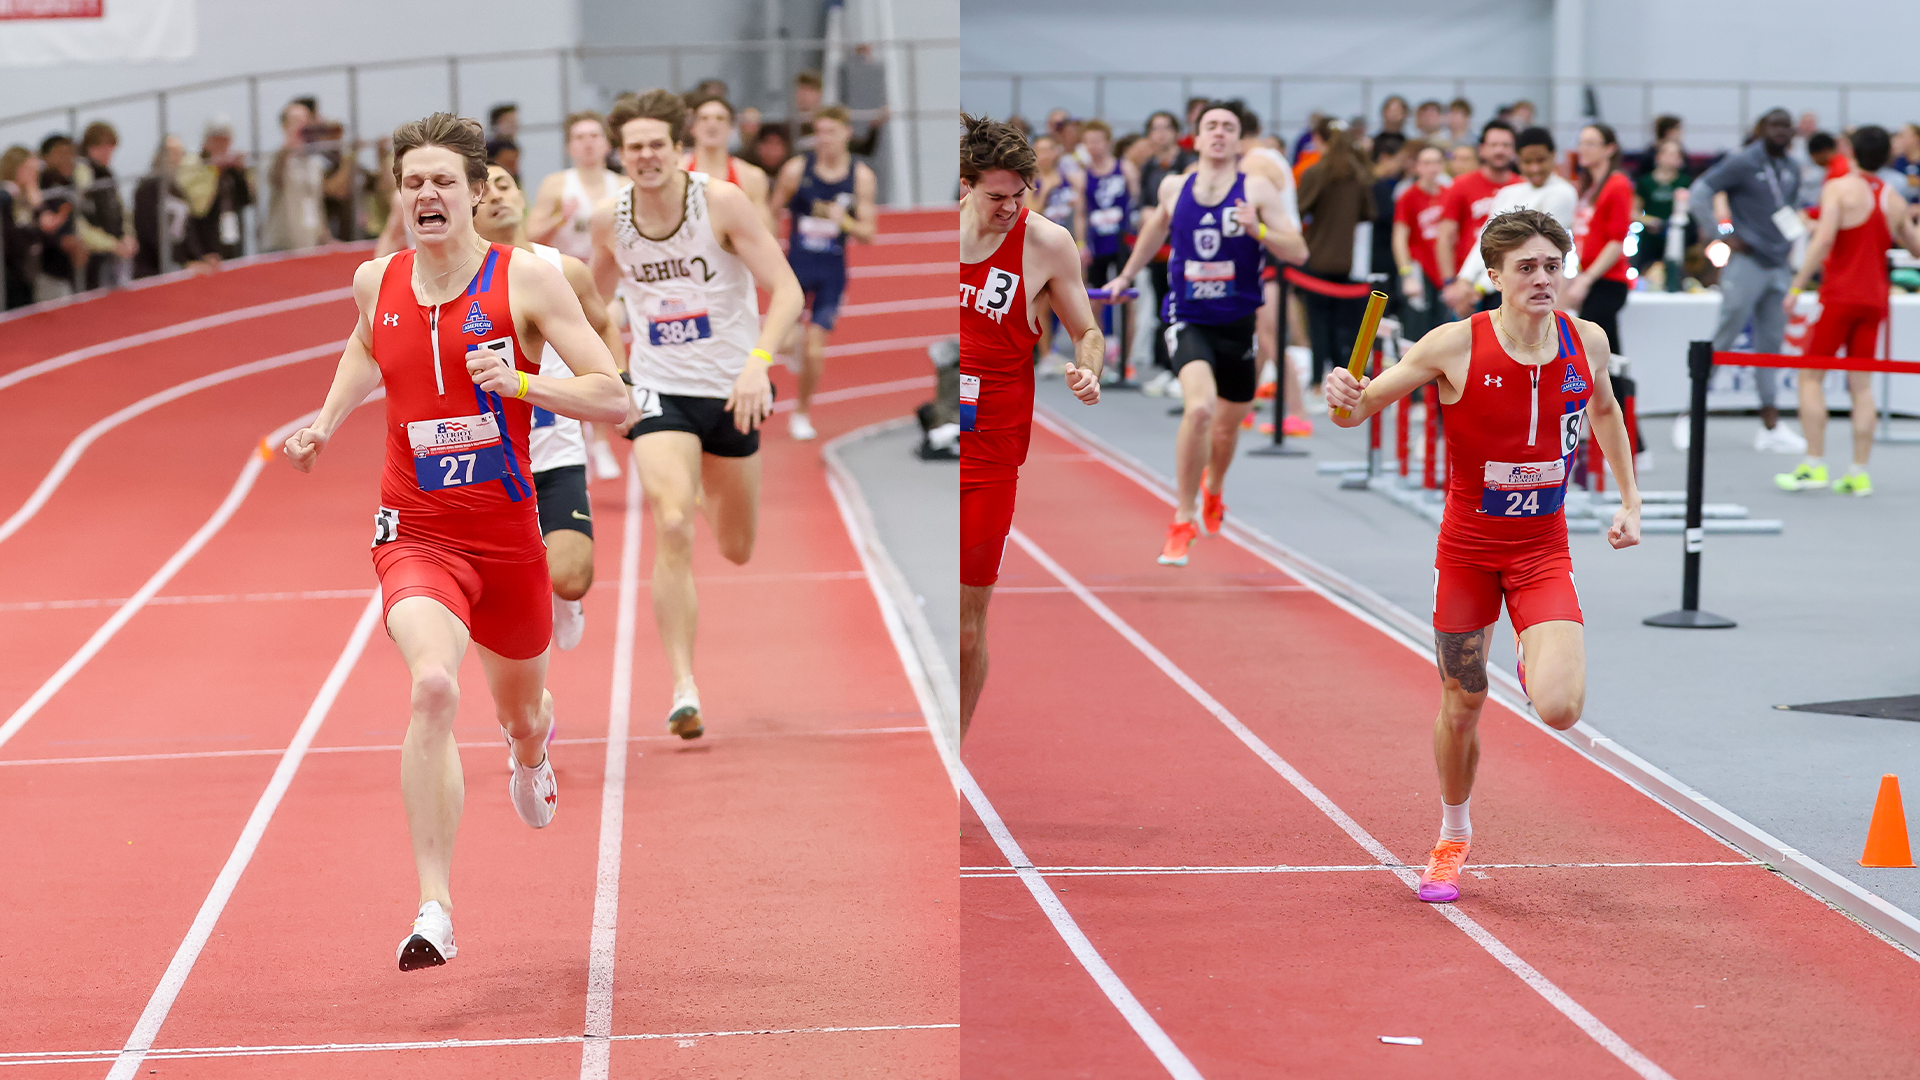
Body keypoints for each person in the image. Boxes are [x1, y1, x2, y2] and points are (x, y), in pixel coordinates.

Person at [281, 112, 628, 969]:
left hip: (508, 536)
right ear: (398, 198)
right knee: (433, 686)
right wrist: (326, 420)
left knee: (521, 712)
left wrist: (517, 378)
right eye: (412, 183)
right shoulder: (376, 280)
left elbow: (613, 397)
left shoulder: (530, 284)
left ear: (478, 193)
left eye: (443, 182)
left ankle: (530, 751)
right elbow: (367, 345)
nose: (426, 195)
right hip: (417, 530)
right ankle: (435, 907)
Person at [1325, 207, 1641, 904]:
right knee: (1463, 701)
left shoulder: (1585, 340)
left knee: (1559, 709)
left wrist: (1630, 501)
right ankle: (1452, 835)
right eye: (1526, 267)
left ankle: (1534, 657)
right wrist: (1342, 394)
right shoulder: (1452, 345)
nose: (1543, 279)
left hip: (1542, 553)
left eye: (1553, 266)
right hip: (1468, 554)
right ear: (1493, 276)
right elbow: (1358, 411)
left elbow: (1607, 413)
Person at [588, 89, 804, 739]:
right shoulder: (610, 219)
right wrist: (615, 377)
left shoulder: (721, 202)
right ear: (620, 156)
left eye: (658, 144)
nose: (647, 156)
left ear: (679, 148)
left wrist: (759, 362)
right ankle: (684, 685)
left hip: (733, 389)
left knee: (736, 548)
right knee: (673, 521)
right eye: (634, 147)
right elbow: (594, 306)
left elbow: (787, 288)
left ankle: (712, 489)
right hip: (658, 387)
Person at [1101, 100, 1308, 566]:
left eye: (1228, 127)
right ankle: (1182, 514)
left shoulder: (1256, 187)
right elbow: (1154, 232)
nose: (1219, 133)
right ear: (1194, 138)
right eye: (1210, 126)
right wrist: (1125, 277)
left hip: (1237, 324)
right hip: (1188, 317)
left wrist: (1256, 229)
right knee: (1198, 411)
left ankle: (1213, 489)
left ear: (1239, 140)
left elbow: (1297, 250)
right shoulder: (1176, 187)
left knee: (1225, 430)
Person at [958, 113, 1103, 741]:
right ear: (965, 186)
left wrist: (1088, 371)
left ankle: (954, 753)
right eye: (996, 197)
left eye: (1021, 195)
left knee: (967, 623)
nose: (1010, 208)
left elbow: (1088, 331)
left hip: (992, 448)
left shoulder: (1047, 243)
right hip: (944, 442)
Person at [473, 162, 627, 645]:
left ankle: (561, 596)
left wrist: (618, 377)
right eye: (483, 193)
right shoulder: (456, 282)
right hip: (487, 462)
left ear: (521, 196)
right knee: (502, 599)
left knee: (571, 578)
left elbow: (602, 324)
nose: (497, 196)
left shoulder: (565, 271)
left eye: (503, 185)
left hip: (556, 452)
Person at [1779, 125, 1920, 496]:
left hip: (1838, 297)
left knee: (1810, 378)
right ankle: (1859, 471)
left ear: (1851, 151)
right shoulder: (1894, 198)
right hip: (1875, 300)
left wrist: (1796, 286)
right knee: (1862, 386)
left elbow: (1824, 239)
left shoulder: (1839, 188)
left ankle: (1814, 464)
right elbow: (1916, 247)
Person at [1687, 108, 1808, 453]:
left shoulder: (1792, 167)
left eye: (1787, 125)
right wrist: (1719, 235)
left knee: (1771, 345)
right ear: (1761, 129)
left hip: (1778, 265)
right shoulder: (1743, 161)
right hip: (1747, 262)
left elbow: (1790, 209)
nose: (1781, 131)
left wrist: (1791, 248)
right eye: (1775, 125)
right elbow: (1699, 192)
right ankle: (1690, 414)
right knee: (1725, 336)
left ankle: (1770, 424)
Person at [527, 110, 629, 480]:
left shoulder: (622, 186)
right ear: (571, 146)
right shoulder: (557, 185)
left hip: (609, 288)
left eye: (594, 135)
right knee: (570, 362)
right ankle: (576, 441)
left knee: (601, 350)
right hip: (564, 287)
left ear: (606, 143)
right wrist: (559, 218)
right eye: (580, 137)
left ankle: (599, 440)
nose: (588, 142)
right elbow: (528, 234)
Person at [770, 103, 877, 441]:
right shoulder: (796, 169)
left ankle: (801, 413)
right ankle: (793, 344)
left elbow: (868, 233)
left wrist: (842, 220)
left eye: (831, 132)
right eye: (819, 132)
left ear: (847, 133)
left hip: (832, 270)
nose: (825, 139)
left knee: (815, 350)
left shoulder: (860, 176)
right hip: (796, 266)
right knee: (782, 340)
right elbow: (772, 212)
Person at [1450, 127, 1576, 308]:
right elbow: (1486, 238)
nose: (1535, 168)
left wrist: (1479, 287)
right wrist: (1465, 280)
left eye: (1541, 160)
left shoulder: (1563, 193)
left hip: (1532, 289)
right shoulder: (1508, 193)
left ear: (1553, 156)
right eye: (1527, 161)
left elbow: (1531, 247)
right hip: (1494, 286)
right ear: (1518, 160)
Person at [1294, 120, 1376, 392]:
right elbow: (1369, 212)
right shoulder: (1358, 174)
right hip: (1348, 262)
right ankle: (1346, 382)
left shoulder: (1315, 172)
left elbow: (1299, 207)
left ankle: (1318, 381)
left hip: (1317, 258)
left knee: (1318, 323)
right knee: (1345, 326)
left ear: (1321, 140)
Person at [1138, 110, 1197, 395]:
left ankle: (1182, 370)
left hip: (1184, 248)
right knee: (1161, 310)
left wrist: (1165, 214)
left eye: (1165, 128)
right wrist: (1149, 214)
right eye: (1154, 128)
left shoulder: (1188, 162)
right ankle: (1164, 366)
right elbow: (1145, 204)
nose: (1160, 134)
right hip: (1158, 250)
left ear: (1175, 132)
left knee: (1182, 310)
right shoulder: (1149, 166)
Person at [1562, 124, 1634, 354]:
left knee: (1593, 348)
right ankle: (1620, 390)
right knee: (1606, 349)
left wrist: (1586, 279)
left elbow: (1616, 240)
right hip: (1591, 276)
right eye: (1581, 142)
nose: (1583, 149)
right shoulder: (1588, 188)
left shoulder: (1617, 185)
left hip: (1608, 279)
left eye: (1591, 143)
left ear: (1609, 149)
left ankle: (1618, 390)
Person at [1438, 121, 1522, 316]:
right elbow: (1444, 237)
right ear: (1482, 150)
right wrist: (1450, 282)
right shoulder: (1461, 185)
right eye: (1493, 145)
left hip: (1509, 284)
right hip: (1466, 286)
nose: (1499, 151)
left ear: (1514, 151)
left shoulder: (1523, 188)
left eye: (1506, 145)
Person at [684, 94, 772, 224]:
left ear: (731, 127)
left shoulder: (752, 177)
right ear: (693, 127)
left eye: (720, 118)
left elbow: (766, 233)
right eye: (704, 118)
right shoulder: (676, 170)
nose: (712, 124)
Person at [1393, 143, 1451, 340]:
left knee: (1443, 329)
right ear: (1417, 167)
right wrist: (1406, 274)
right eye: (1426, 163)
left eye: (1436, 162)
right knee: (1417, 328)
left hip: (1444, 270)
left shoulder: (1448, 193)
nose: (1431, 168)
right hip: (1420, 269)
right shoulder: (1408, 196)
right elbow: (1399, 238)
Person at [178, 120, 253, 263]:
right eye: (218, 141)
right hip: (204, 237)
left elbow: (247, 199)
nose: (223, 146)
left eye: (226, 141)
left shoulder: (231, 166)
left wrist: (241, 171)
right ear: (208, 141)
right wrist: (214, 169)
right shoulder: (194, 163)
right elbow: (197, 206)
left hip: (232, 232)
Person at [77, 122, 136, 289]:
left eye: (111, 149)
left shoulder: (108, 173)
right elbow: (81, 219)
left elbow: (119, 208)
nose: (108, 154)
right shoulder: (83, 174)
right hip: (97, 255)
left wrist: (127, 235)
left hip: (116, 250)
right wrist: (111, 244)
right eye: (103, 149)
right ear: (90, 147)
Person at [1633, 139, 1692, 275]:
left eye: (1677, 154)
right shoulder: (1645, 182)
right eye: (1669, 154)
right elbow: (1634, 212)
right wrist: (1650, 221)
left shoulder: (1685, 182)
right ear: (1658, 157)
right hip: (1651, 237)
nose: (1673, 158)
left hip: (1677, 236)